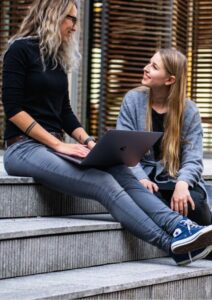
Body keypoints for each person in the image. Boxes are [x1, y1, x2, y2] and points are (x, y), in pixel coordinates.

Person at [2, 0, 212, 267]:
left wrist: (89, 142)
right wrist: (59, 145)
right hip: (24, 149)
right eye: (72, 19)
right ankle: (171, 244)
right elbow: (13, 110)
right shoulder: (19, 50)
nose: (76, 27)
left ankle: (180, 226)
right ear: (53, 16)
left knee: (120, 170)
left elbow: (65, 112)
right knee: (103, 183)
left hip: (53, 147)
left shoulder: (56, 58)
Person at [116, 48, 212, 227]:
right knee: (150, 200)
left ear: (170, 80)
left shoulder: (189, 111)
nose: (146, 68)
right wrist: (140, 178)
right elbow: (124, 149)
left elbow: (193, 159)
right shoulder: (133, 100)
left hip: (175, 178)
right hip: (142, 178)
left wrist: (183, 184)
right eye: (148, 63)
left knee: (194, 204)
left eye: (154, 66)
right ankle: (185, 237)